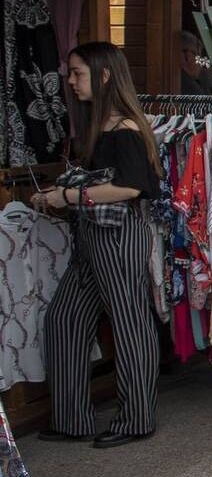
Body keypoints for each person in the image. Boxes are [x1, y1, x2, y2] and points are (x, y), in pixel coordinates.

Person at [33, 42, 162, 449]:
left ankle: (137, 418)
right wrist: (63, 193)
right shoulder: (101, 125)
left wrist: (67, 198)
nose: (70, 82)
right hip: (94, 234)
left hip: (119, 233)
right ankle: (72, 418)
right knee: (64, 319)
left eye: (78, 73)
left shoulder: (124, 130)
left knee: (129, 325)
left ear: (104, 76)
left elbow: (132, 186)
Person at [177, 31, 212, 95]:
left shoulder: (203, 77)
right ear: (186, 56)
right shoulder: (185, 83)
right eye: (196, 54)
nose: (199, 62)